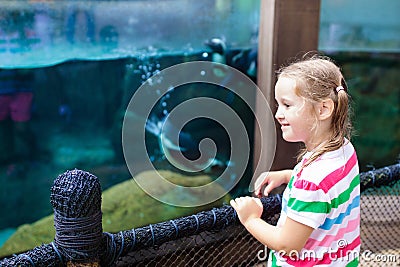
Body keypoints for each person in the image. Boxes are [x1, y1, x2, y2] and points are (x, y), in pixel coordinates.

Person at [230, 55, 360, 266]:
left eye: (287, 105)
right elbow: (329, 189)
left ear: (323, 109)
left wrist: (250, 218)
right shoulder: (344, 149)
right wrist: (289, 176)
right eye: (278, 104)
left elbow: (287, 245)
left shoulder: (312, 182)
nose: (278, 114)